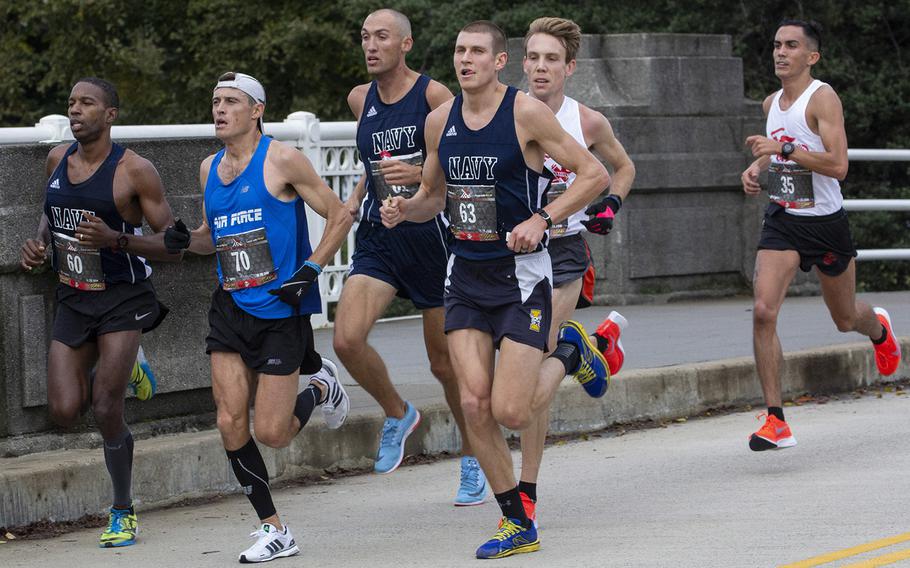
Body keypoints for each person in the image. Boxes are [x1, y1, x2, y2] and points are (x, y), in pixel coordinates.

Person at [381, 21, 616, 559]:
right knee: (472, 403)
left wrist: (543, 217)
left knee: (511, 411)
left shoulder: (524, 114)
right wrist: (404, 210)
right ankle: (516, 521)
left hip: (520, 280)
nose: (466, 60)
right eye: (460, 50)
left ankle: (570, 351)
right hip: (464, 277)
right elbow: (433, 198)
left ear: (499, 61)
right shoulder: (441, 121)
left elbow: (595, 175)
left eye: (477, 52)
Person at [163, 72, 352, 563]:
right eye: (215, 101)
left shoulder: (282, 159)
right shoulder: (208, 169)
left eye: (230, 101)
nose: (219, 109)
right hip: (230, 305)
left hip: (280, 310)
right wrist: (188, 242)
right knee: (229, 421)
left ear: (256, 110)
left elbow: (338, 215)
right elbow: (212, 237)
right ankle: (274, 528)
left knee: (272, 432)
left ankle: (320, 388)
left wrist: (310, 270)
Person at [19, 77, 176, 548]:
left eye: (87, 103)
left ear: (110, 115)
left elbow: (173, 245)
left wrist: (116, 239)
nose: (75, 110)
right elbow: (52, 210)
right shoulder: (56, 158)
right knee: (65, 410)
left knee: (106, 407)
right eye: (71, 102)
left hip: (122, 297)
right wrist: (39, 244)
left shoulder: (134, 170)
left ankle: (123, 510)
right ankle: (129, 366)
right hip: (73, 293)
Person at [337, 8, 485, 503]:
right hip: (381, 236)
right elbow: (372, 161)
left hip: (429, 236)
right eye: (364, 37)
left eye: (381, 36)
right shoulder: (361, 98)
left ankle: (474, 454)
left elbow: (456, 164)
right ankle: (399, 413)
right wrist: (359, 196)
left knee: (445, 366)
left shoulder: (434, 96)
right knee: (346, 340)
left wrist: (418, 172)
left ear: (406, 44)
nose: (370, 45)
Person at [741, 19, 901, 451]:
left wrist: (783, 150)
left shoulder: (823, 98)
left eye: (791, 45)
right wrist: (757, 171)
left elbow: (838, 166)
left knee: (845, 317)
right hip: (785, 218)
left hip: (826, 223)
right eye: (776, 44)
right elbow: (779, 164)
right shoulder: (770, 102)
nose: (780, 52)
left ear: (811, 56)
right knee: (762, 310)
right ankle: (775, 420)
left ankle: (879, 331)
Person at [516, 16, 637, 527]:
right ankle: (583, 347)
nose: (541, 68)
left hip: (564, 253)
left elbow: (622, 167)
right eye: (534, 57)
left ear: (569, 67)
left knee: (532, 378)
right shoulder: (507, 113)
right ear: (522, 62)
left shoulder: (585, 121)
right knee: (516, 372)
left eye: (552, 60)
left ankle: (527, 490)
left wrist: (609, 203)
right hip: (512, 257)